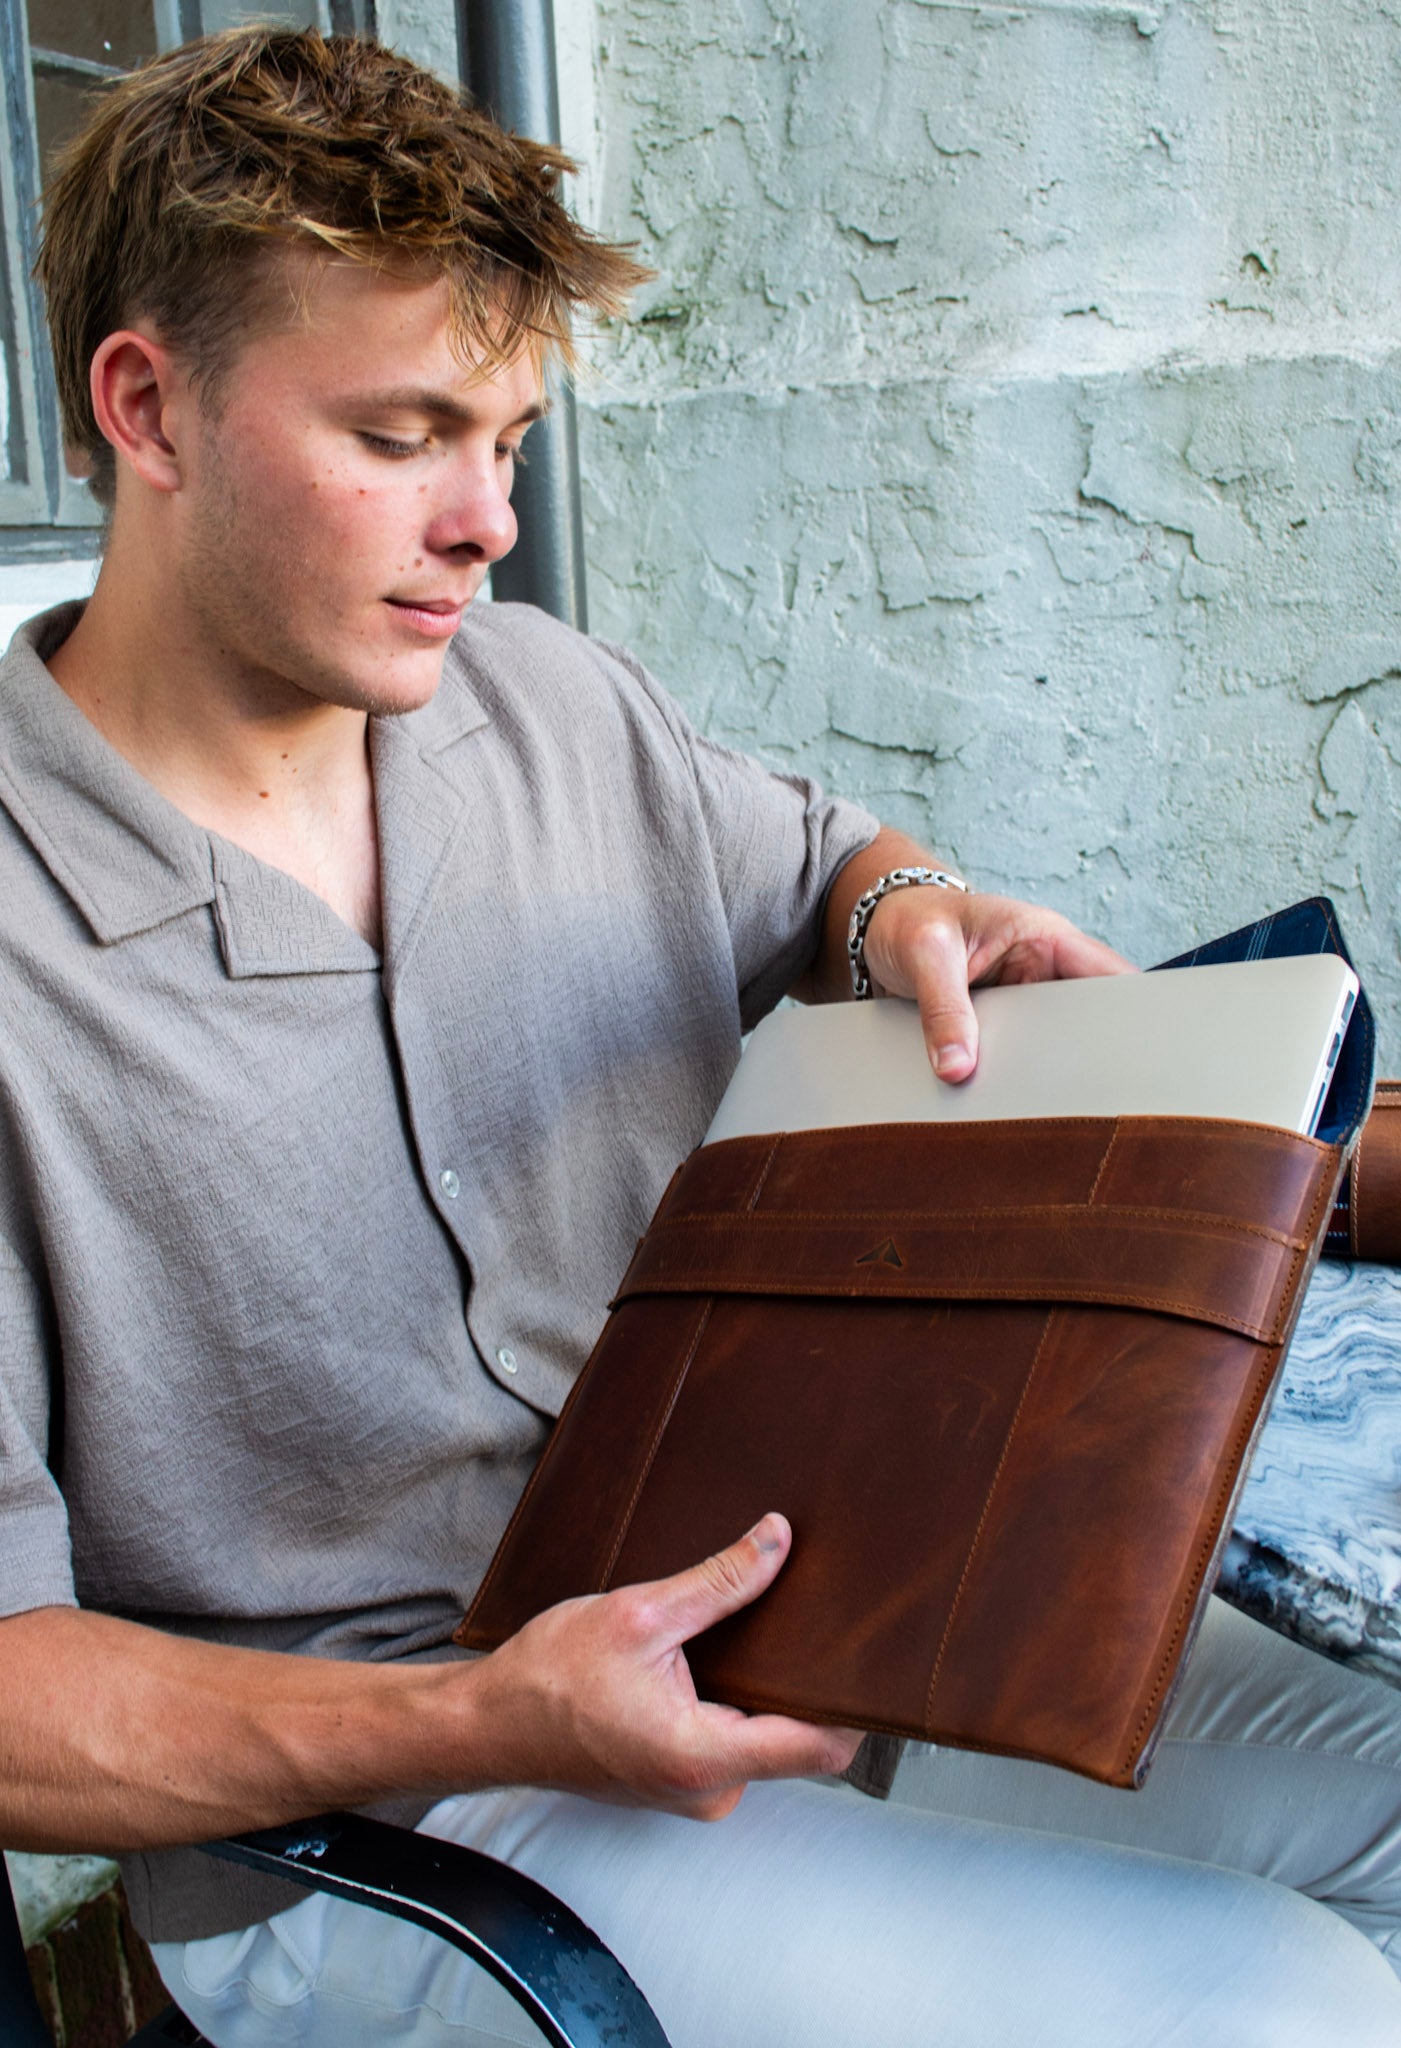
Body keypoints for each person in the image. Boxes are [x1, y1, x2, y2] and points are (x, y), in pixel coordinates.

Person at [2, 27, 1400, 2046]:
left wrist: (903, 913)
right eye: (404, 436)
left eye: (505, 436)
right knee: (1266, 2006)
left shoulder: (543, 700)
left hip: (813, 1635)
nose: (485, 520)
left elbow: (820, 868)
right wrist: (483, 1710)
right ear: (149, 406)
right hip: (387, 1812)